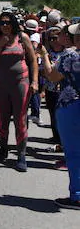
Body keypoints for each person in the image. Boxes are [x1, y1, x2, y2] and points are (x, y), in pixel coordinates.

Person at [0, 12, 38, 172]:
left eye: (8, 22)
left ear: (13, 23)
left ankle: (21, 154)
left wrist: (35, 81)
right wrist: (1, 45)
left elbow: (33, 60)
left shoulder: (22, 37)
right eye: (2, 23)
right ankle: (3, 149)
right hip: (0, 85)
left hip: (20, 84)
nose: (5, 26)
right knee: (2, 119)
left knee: (20, 119)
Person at [39, 22, 80, 209]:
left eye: (67, 33)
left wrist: (44, 56)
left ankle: (77, 196)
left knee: (73, 153)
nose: (62, 35)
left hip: (71, 106)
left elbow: (52, 76)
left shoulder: (69, 55)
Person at [41, 26, 68, 168]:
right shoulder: (48, 53)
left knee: (63, 121)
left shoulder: (68, 54)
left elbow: (53, 73)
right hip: (51, 89)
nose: (54, 40)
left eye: (57, 37)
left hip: (65, 92)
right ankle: (59, 142)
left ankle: (64, 147)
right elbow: (44, 72)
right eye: (51, 38)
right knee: (54, 116)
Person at [24, 19, 42, 125]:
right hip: (33, 63)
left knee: (33, 90)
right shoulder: (34, 35)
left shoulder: (33, 37)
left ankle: (35, 113)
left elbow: (34, 47)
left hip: (34, 64)